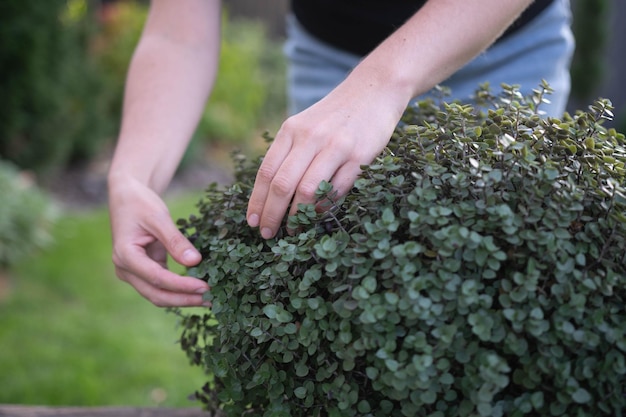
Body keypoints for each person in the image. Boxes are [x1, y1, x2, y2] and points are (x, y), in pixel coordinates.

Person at [107, 0, 574, 307]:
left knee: (491, 290)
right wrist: (132, 176)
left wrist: (380, 83)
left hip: (497, 41)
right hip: (331, 48)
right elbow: (178, 33)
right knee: (330, 284)